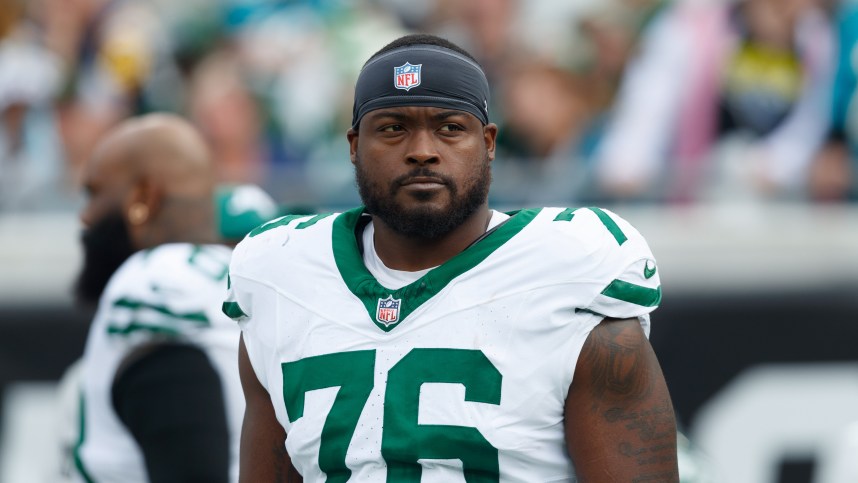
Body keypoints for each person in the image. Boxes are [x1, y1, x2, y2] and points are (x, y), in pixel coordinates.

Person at [224, 33, 678, 481]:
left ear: (489, 143)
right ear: (354, 146)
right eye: (393, 128)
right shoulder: (282, 277)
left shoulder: (570, 271)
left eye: (449, 128)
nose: (422, 151)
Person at [70, 113, 244, 482]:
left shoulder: (155, 284)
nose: (85, 216)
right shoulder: (233, 272)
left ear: (142, 198)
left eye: (94, 192)